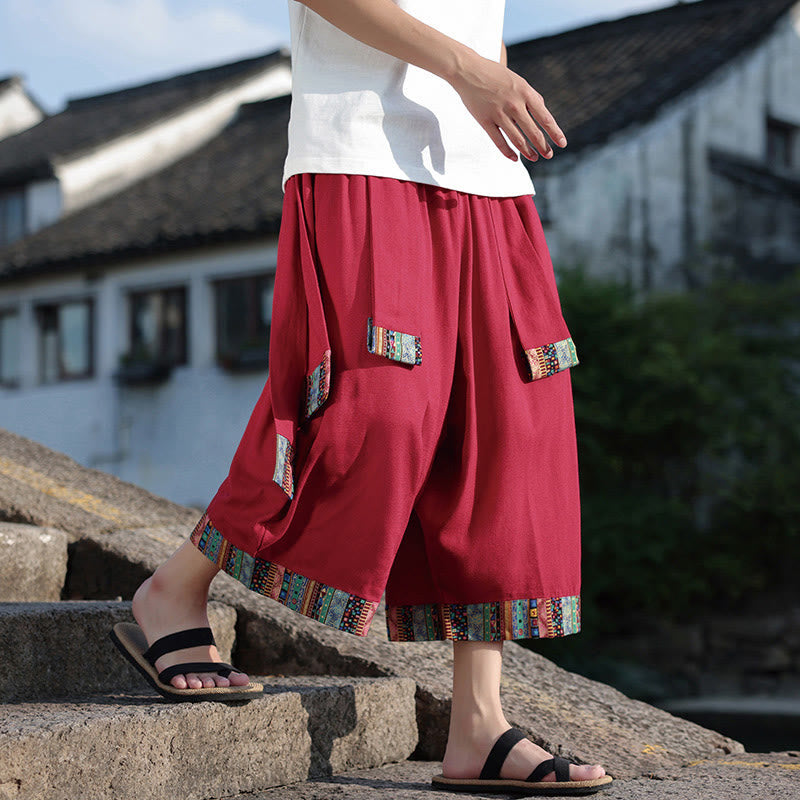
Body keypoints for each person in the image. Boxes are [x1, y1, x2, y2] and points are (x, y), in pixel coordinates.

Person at [112, 0, 611, 794]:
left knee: (507, 431)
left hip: (485, 170)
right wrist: (468, 71)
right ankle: (175, 587)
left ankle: (479, 725)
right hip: (361, 148)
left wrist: (484, 80)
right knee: (372, 410)